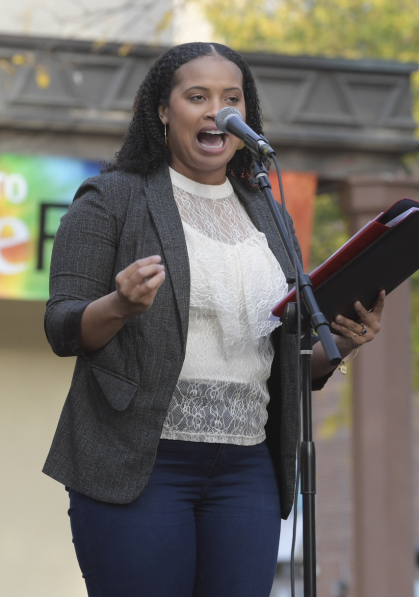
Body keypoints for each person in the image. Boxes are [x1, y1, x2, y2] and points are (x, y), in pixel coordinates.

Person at [43, 42, 384, 597]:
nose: (216, 110)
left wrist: (341, 343)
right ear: (162, 110)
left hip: (246, 467)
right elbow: (62, 327)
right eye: (196, 96)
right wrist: (120, 305)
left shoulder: (267, 211)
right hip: (142, 461)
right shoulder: (111, 198)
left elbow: (277, 354)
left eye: (232, 98)